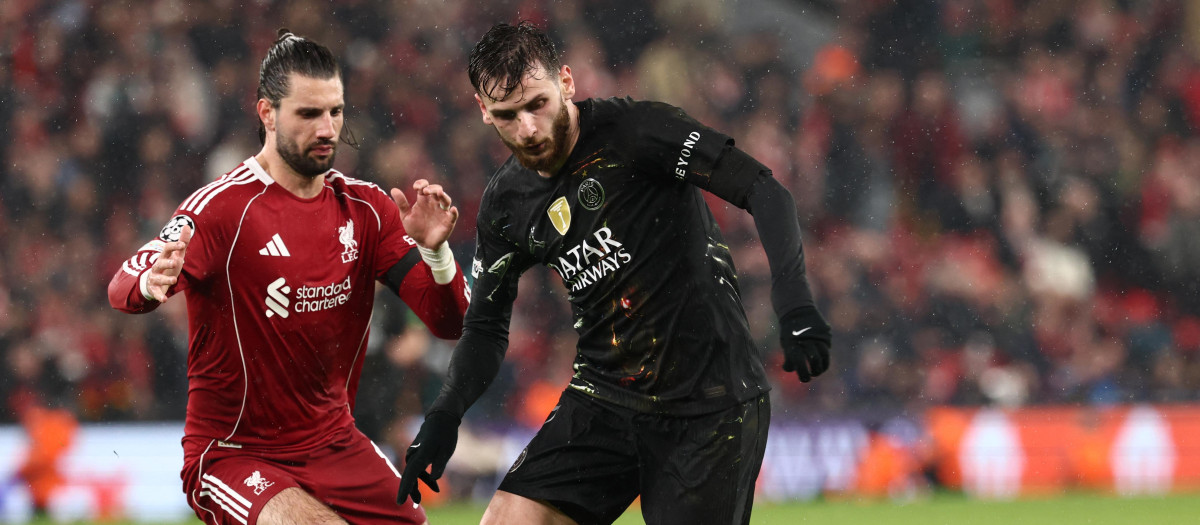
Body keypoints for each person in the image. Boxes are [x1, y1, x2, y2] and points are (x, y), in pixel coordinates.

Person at [398, 21, 832, 525]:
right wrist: (446, 415)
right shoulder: (505, 203)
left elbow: (764, 190)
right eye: (506, 115)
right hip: (606, 397)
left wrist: (796, 302)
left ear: (566, 82)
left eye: (536, 103)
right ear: (482, 111)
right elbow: (485, 327)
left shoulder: (637, 131)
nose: (528, 129)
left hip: (710, 402)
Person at [108, 29, 470, 525]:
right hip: (234, 452)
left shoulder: (368, 210)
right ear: (267, 114)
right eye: (308, 114)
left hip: (334, 443)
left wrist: (437, 254)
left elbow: (451, 322)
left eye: (335, 112)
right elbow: (122, 285)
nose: (327, 129)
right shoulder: (220, 208)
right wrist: (152, 282)